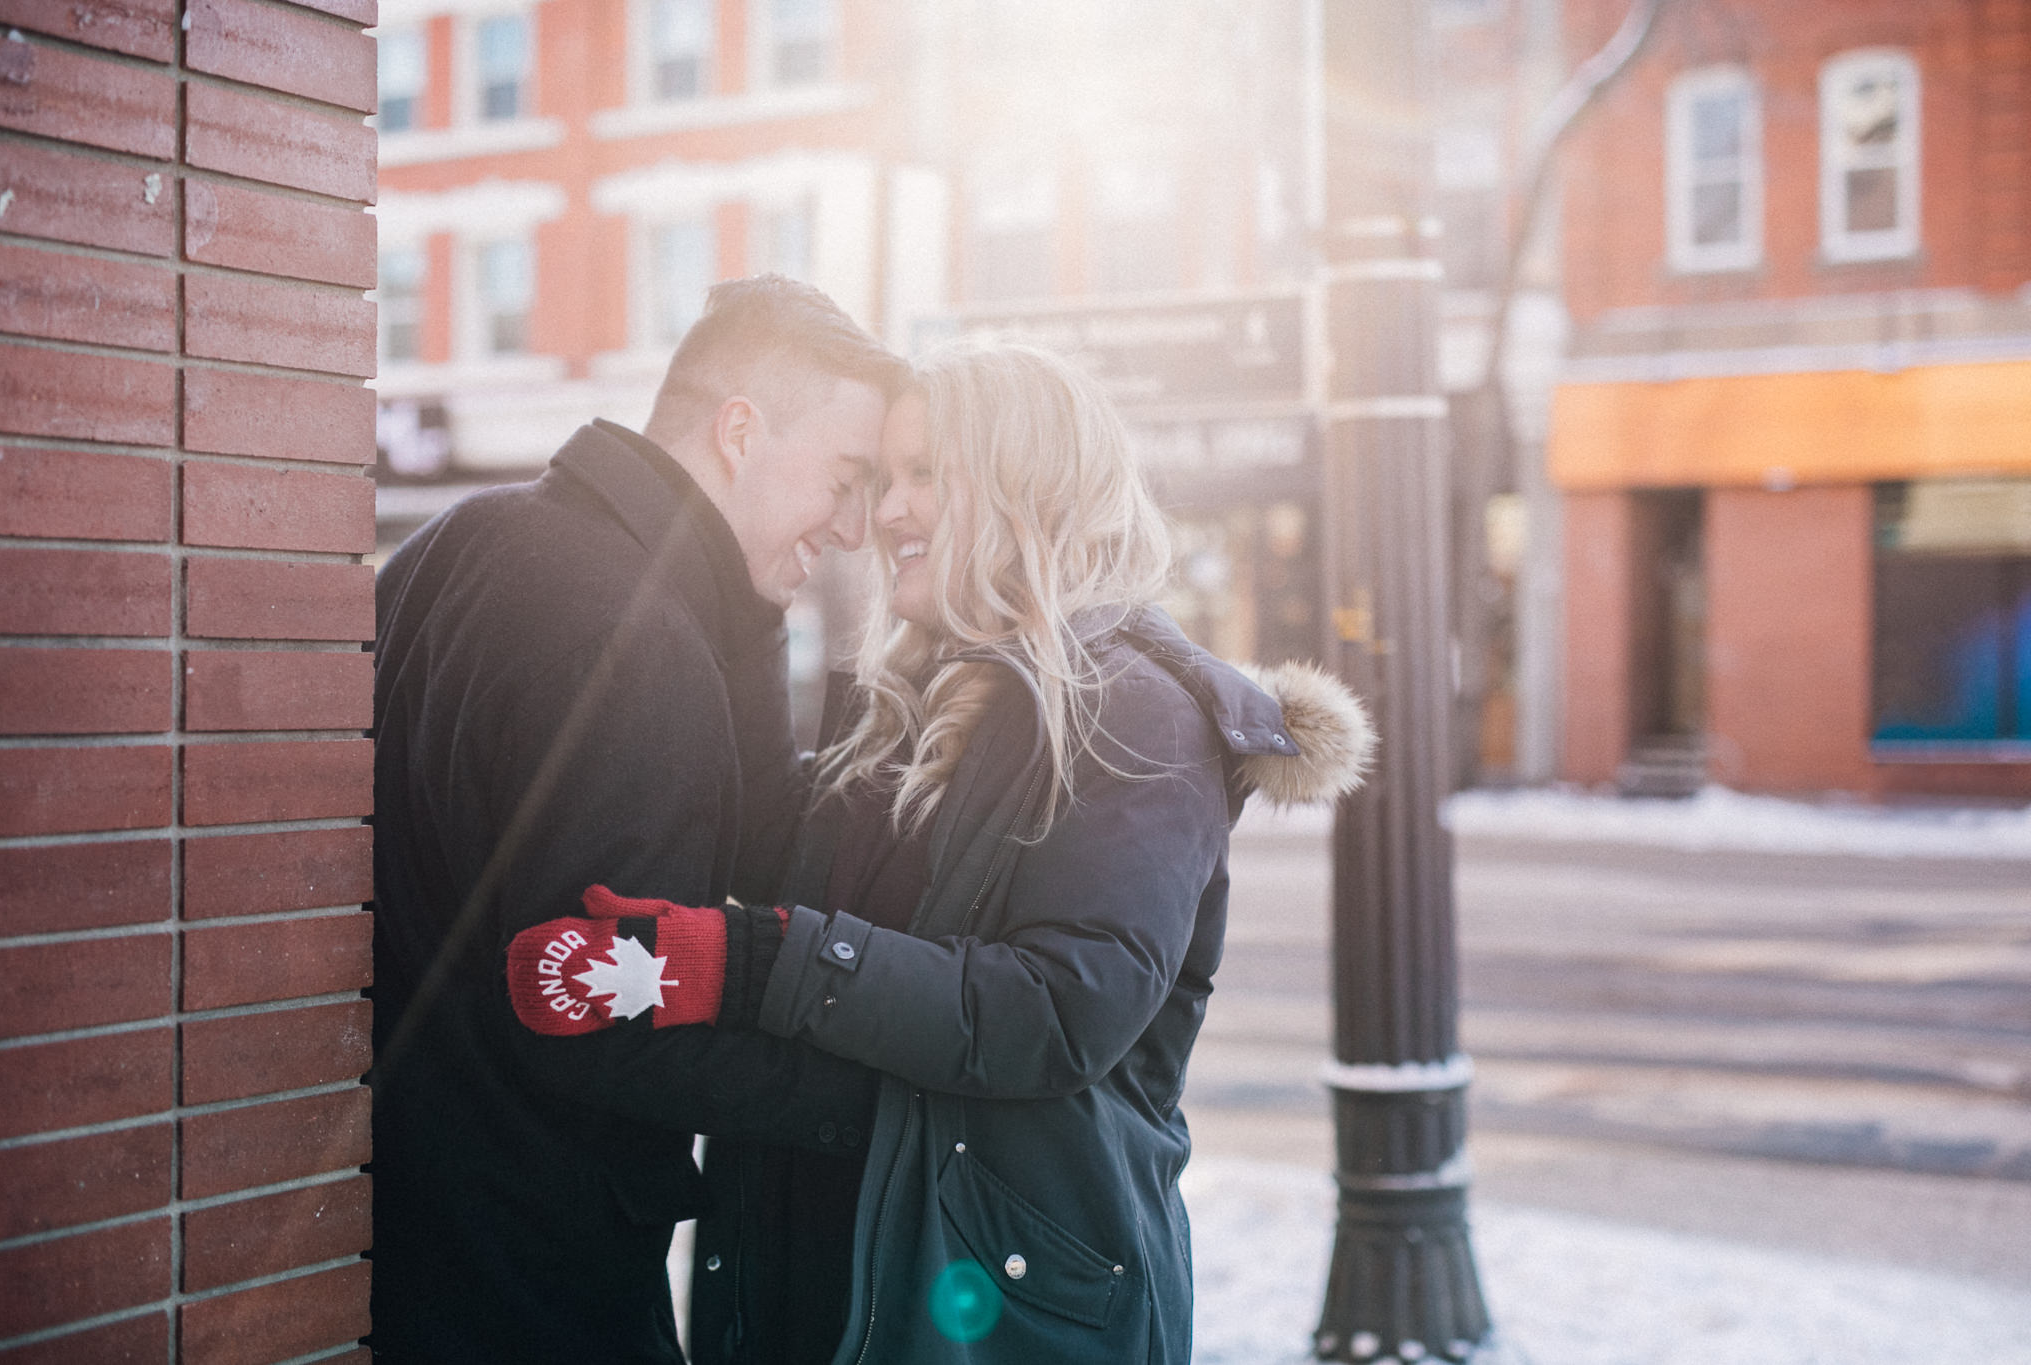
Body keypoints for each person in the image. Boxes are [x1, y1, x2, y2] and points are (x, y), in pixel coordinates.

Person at [519, 340, 1374, 1362]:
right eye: (884, 478)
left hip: (998, 1308)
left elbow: (1058, 1010)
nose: (884, 514)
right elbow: (754, 839)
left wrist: (747, 964)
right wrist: (740, 585)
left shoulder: (1135, 713)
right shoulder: (903, 702)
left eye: (925, 476)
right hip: (822, 1267)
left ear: (1026, 487)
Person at [369, 276, 911, 1363]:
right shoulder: (631, 637)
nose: (853, 528)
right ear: (740, 431)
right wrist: (879, 1101)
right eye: (845, 480)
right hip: (536, 1270)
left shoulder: (458, 543)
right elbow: (603, 1010)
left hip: (398, 1224)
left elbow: (741, 847)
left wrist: (746, 608)